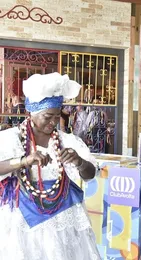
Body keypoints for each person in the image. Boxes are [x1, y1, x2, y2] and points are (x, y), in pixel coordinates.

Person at [0, 72, 100, 259]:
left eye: (57, 116)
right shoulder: (10, 138)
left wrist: (79, 161)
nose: (54, 122)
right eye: (48, 116)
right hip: (23, 218)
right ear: (31, 112)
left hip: (64, 215)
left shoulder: (68, 140)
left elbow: (90, 174)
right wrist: (24, 161)